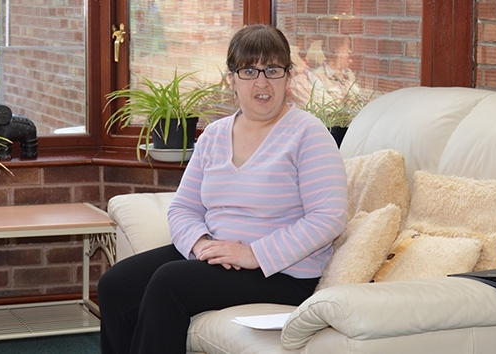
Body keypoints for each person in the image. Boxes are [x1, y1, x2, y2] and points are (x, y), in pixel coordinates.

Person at [97, 24, 349, 354]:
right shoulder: (214, 134)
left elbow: (329, 218)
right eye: (249, 70)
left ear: (288, 76)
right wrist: (201, 244)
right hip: (218, 254)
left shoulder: (308, 134)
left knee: (170, 284)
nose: (262, 82)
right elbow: (183, 208)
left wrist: (252, 254)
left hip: (285, 271)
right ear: (231, 78)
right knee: (115, 285)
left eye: (272, 69)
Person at [311, 36, 361, 102]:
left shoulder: (348, 73)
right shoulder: (318, 75)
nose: (349, 51)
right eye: (347, 46)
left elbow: (359, 98)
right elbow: (324, 104)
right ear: (334, 50)